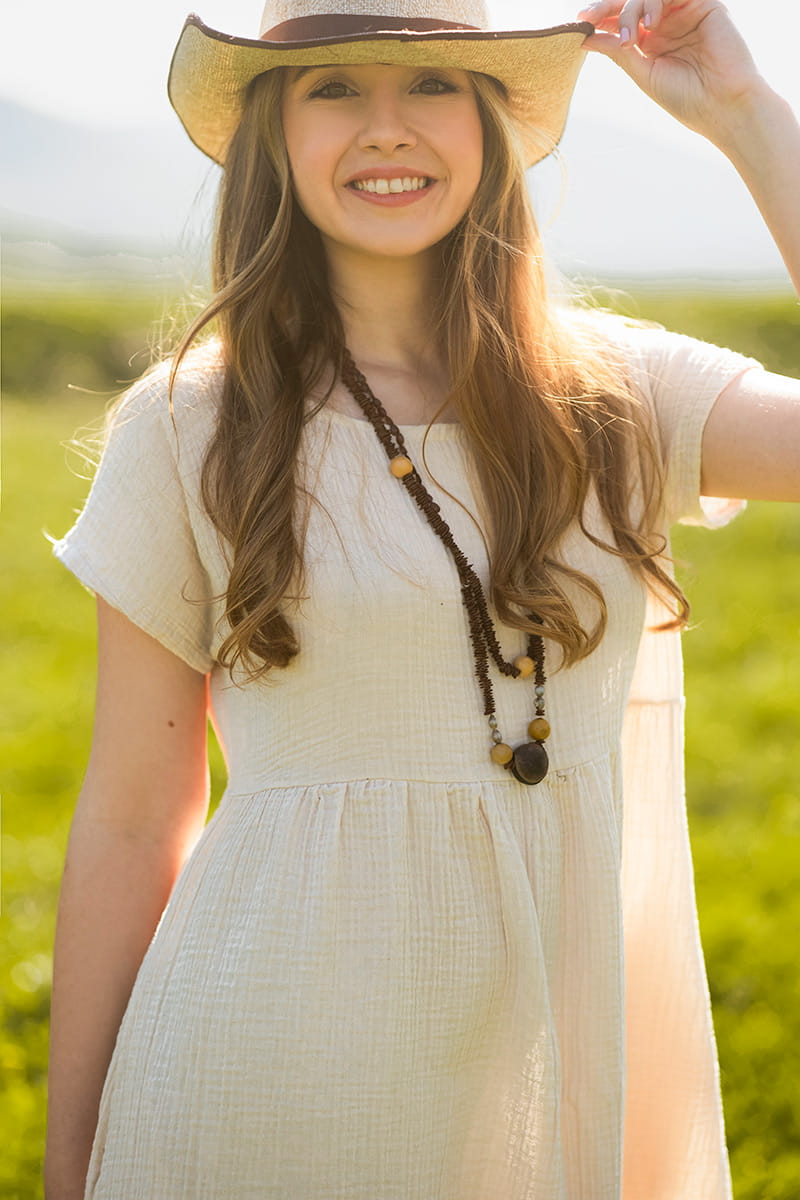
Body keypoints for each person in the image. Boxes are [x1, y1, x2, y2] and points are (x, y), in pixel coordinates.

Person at [44, 1, 800, 1197]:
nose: (386, 128)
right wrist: (73, 1155)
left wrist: (750, 122)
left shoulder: (616, 394)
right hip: (272, 1069)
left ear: (493, 122)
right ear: (271, 136)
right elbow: (136, 815)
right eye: (334, 89)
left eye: (435, 85)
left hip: (562, 1071)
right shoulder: (193, 423)